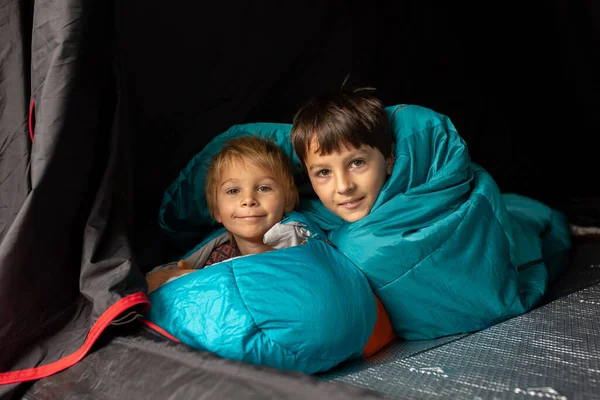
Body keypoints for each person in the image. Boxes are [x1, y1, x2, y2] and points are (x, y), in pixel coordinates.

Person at [146, 136, 298, 292]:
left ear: (288, 199)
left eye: (263, 188)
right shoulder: (216, 259)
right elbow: (148, 285)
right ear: (216, 211)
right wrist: (186, 279)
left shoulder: (302, 241)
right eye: (233, 191)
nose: (248, 200)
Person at [290, 85, 395, 223]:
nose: (343, 187)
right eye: (324, 172)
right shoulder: (305, 227)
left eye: (357, 163)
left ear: (389, 159)